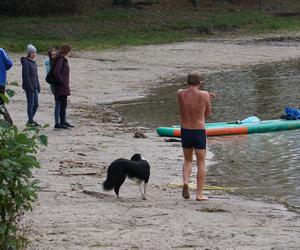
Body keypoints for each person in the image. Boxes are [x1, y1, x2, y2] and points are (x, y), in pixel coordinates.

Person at [177, 71, 215, 201]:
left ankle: (186, 181)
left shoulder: (180, 93)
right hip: (198, 131)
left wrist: (206, 97)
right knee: (201, 162)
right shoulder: (205, 95)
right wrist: (208, 99)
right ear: (200, 83)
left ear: (187, 82)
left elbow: (188, 100)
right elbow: (207, 113)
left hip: (185, 130)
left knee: (187, 160)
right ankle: (199, 194)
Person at [54, 45, 74, 129]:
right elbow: (56, 72)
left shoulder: (63, 60)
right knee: (62, 105)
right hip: (61, 86)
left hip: (63, 85)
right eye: (69, 51)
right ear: (67, 51)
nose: (70, 52)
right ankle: (61, 123)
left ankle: (63, 122)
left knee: (64, 104)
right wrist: (62, 82)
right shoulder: (61, 60)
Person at [21, 44, 41, 127]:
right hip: (29, 87)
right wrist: (30, 87)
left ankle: (30, 120)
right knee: (31, 104)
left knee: (36, 104)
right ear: (29, 53)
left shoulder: (34, 62)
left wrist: (38, 85)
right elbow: (26, 77)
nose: (34, 54)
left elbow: (36, 76)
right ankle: (31, 121)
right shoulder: (26, 63)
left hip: (35, 86)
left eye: (35, 52)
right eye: (32, 53)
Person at [45, 48, 61, 127]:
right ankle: (57, 122)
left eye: (55, 54)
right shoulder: (49, 63)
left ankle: (61, 121)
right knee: (58, 103)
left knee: (62, 104)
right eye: (52, 55)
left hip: (60, 85)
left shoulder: (58, 62)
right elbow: (49, 77)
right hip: (54, 86)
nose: (54, 56)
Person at [0, 48, 13, 125]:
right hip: (1, 82)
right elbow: (9, 64)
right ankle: (8, 121)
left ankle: (8, 121)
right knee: (1, 103)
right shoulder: (1, 51)